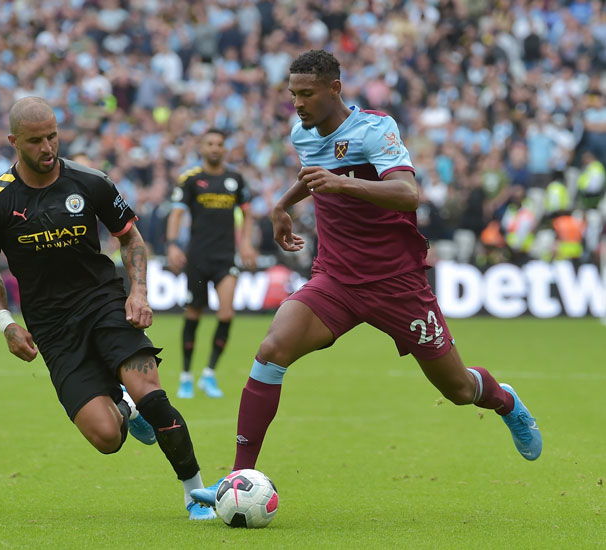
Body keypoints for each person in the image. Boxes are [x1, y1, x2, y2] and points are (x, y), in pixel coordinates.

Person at [192, 50, 542, 505]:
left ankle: (504, 400)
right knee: (271, 349)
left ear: (335, 89)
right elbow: (314, 171)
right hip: (335, 279)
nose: (297, 103)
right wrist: (283, 204)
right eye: (292, 94)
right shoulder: (304, 131)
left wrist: (343, 183)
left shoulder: (376, 129)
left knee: (457, 389)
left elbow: (407, 193)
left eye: (307, 93)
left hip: (397, 284)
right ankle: (237, 481)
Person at [0, 96, 216, 520]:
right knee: (106, 438)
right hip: (51, 327)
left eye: (53, 135)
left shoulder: (91, 182)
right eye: (35, 141)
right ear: (14, 141)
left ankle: (196, 495)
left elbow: (131, 239)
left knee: (153, 395)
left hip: (103, 301)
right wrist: (5, 322)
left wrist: (137, 292)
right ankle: (125, 410)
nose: (48, 147)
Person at [166, 128, 256, 399]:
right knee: (194, 314)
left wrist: (247, 243)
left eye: (220, 143)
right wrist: (172, 244)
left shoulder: (235, 179)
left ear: (224, 148)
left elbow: (248, 214)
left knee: (226, 314)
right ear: (201, 148)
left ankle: (209, 374)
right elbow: (177, 213)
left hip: (226, 257)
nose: (215, 148)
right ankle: (185, 376)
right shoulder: (191, 179)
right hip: (198, 258)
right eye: (210, 144)